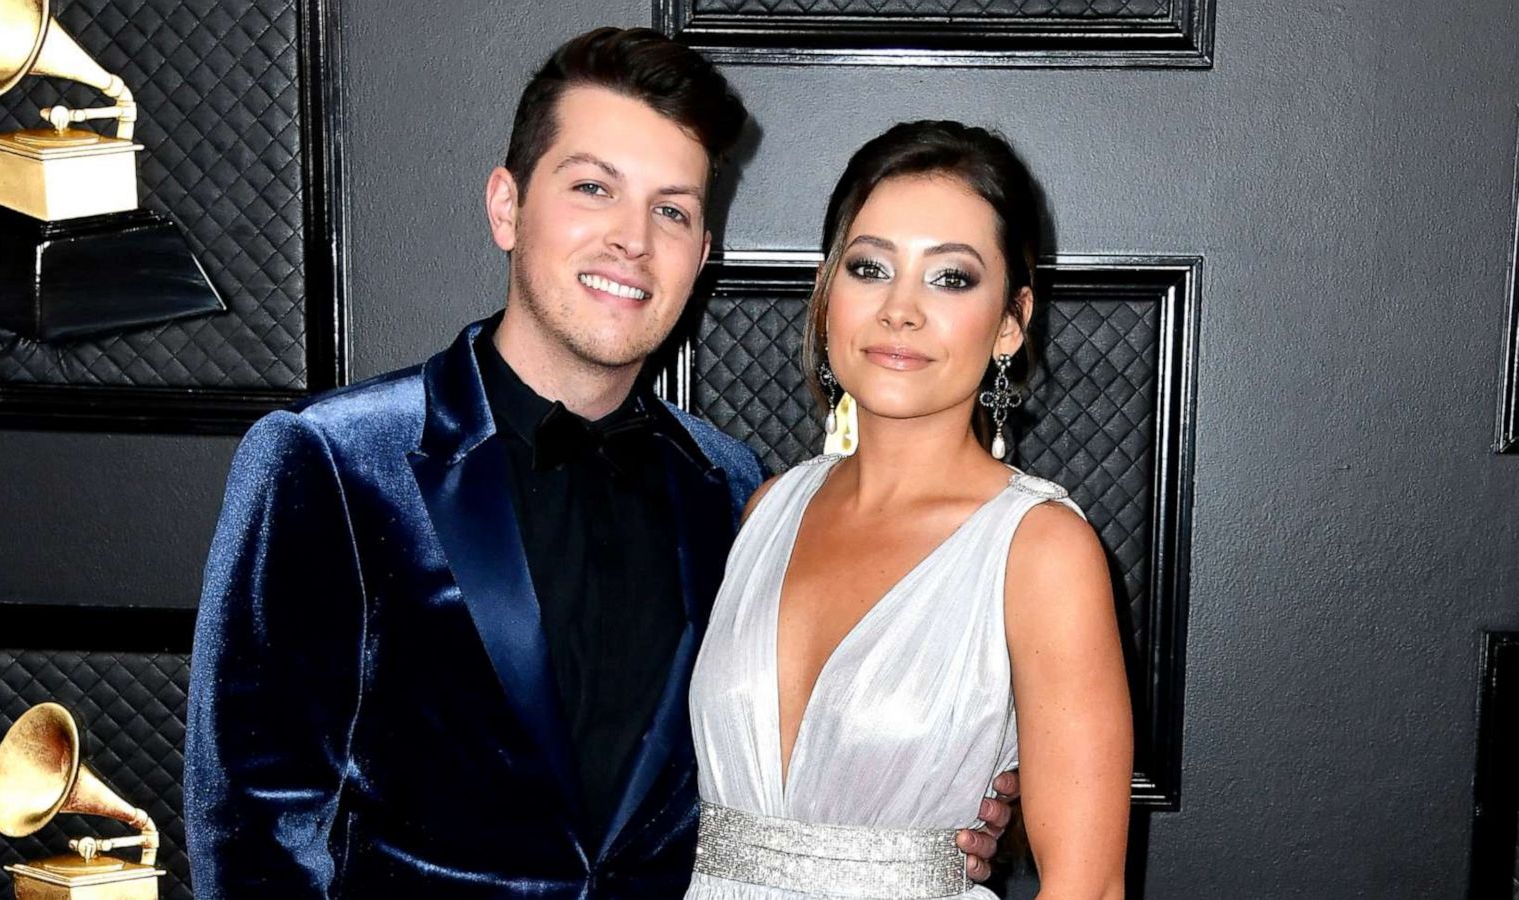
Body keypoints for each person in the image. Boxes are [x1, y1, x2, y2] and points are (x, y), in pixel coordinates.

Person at [184, 30, 1012, 898]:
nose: (632, 240)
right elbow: (253, 825)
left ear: (702, 253)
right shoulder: (331, 461)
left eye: (672, 210)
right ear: (507, 207)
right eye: (592, 189)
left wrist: (950, 806)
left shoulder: (734, 489)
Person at [685, 121, 1134, 900]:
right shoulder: (765, 509)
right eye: (869, 267)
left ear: (1010, 321)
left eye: (951, 278)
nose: (900, 309)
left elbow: (1087, 889)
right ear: (828, 293)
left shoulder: (1041, 551)